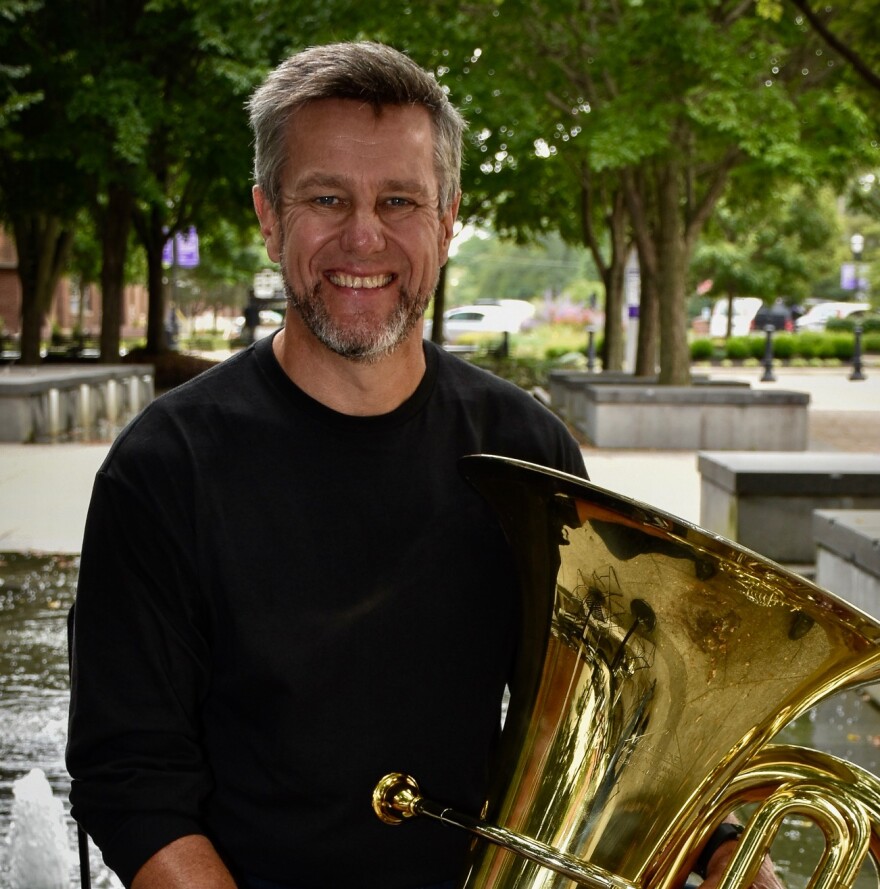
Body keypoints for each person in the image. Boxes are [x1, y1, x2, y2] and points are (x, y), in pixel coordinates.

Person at [66, 41, 781, 889]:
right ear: (268, 217)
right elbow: (131, 780)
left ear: (446, 221)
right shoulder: (161, 467)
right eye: (325, 196)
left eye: (399, 200)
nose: (362, 236)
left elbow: (621, 722)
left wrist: (726, 848)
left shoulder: (530, 453)